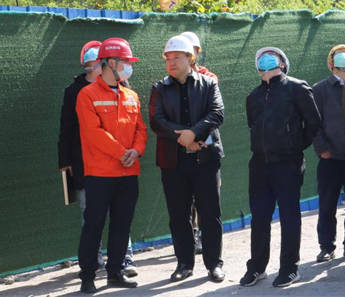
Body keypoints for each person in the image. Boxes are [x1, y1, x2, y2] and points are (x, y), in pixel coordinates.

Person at [240, 47, 321, 288]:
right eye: (261, 58)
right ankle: (257, 267)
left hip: (288, 163)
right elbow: (253, 125)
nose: (266, 60)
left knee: (289, 215)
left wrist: (294, 146)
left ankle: (289, 268)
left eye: (272, 57)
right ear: (257, 68)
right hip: (259, 164)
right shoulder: (253, 96)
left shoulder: (297, 87)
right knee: (259, 217)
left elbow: (314, 122)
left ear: (283, 64)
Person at [149, 35, 226, 283]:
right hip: (173, 162)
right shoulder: (159, 88)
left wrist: (195, 133)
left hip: (206, 159)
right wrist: (184, 136)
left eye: (177, 57)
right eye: (167, 58)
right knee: (179, 215)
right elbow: (157, 121)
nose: (171, 62)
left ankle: (214, 264)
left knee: (210, 213)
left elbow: (217, 113)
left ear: (190, 58)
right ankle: (184, 263)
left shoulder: (209, 83)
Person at [59, 41, 139, 276]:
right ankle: (92, 266)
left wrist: (133, 151)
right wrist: (65, 162)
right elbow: (72, 130)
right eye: (92, 65)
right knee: (92, 218)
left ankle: (123, 261)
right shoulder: (78, 93)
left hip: (123, 167)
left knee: (121, 217)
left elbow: (137, 127)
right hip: (89, 166)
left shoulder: (126, 90)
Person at [75, 37, 146, 293]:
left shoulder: (132, 95)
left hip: (128, 172)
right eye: (125, 61)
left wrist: (136, 151)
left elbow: (140, 129)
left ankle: (115, 271)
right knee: (93, 225)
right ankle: (87, 276)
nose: (128, 66)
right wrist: (122, 152)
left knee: (122, 224)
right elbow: (93, 132)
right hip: (100, 174)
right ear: (111, 63)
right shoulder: (87, 95)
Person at [313, 45, 345, 262]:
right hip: (330, 156)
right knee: (327, 204)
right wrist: (322, 149)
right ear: (331, 63)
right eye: (339, 57)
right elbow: (314, 122)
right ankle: (326, 246)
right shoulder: (319, 89)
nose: (344, 60)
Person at [178, 31, 217, 255]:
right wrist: (186, 139)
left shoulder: (208, 77)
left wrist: (197, 137)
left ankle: (204, 235)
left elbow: (211, 113)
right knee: (186, 199)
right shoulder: (172, 81)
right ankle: (190, 235)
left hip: (206, 145)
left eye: (192, 50)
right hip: (183, 147)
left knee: (207, 197)